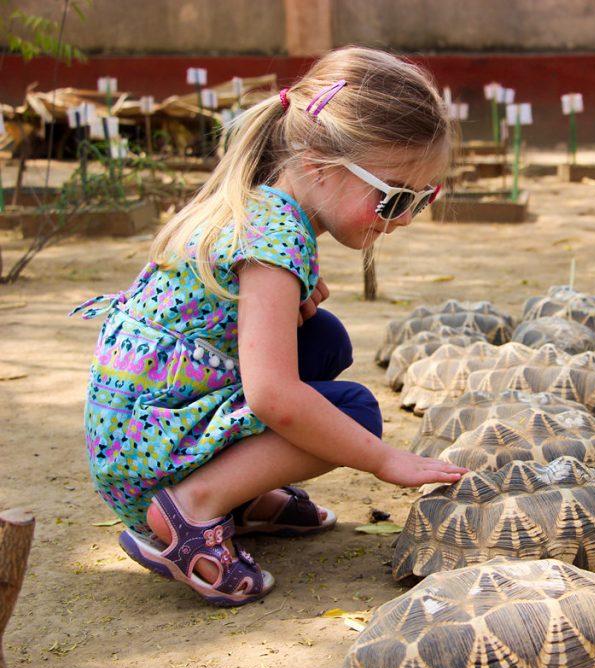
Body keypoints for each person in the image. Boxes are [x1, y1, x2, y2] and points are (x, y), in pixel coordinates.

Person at [72, 46, 467, 606]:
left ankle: (246, 496)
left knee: (323, 339)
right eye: (394, 196)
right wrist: (384, 460)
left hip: (137, 432)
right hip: (145, 461)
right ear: (319, 164)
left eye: (421, 200)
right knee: (356, 412)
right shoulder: (273, 240)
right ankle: (194, 508)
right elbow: (273, 397)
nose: (402, 218)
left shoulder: (262, 206)